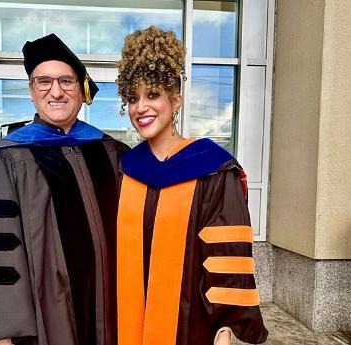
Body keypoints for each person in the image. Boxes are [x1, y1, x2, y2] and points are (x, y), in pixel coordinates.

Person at [0, 33, 128, 345]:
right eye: (44, 82)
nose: (56, 91)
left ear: (81, 91)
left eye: (66, 81)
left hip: (113, 316)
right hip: (45, 321)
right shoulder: (7, 157)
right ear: (32, 92)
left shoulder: (113, 153)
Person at [115, 26, 268, 345]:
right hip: (129, 325)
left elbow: (227, 254)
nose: (141, 107)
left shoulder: (211, 168)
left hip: (190, 326)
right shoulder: (125, 170)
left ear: (176, 100)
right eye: (133, 98)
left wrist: (226, 328)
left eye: (152, 94)